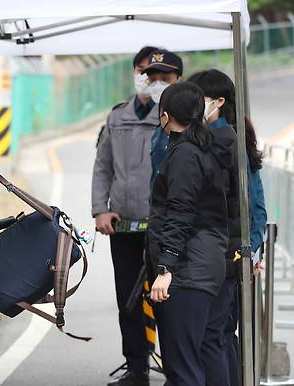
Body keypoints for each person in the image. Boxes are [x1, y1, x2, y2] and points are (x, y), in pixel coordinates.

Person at [148, 81, 231, 386]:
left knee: (182, 367)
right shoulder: (203, 148)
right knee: (195, 358)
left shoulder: (185, 155)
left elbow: (180, 213)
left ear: (165, 116)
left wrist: (166, 268)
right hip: (204, 262)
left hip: (188, 268)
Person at [189, 69, 268, 386]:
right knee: (220, 334)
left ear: (219, 101)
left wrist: (251, 249)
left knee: (213, 335)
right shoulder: (227, 137)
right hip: (232, 252)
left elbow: (253, 204)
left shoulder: (223, 142)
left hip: (226, 253)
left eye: (199, 98)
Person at [91, 45, 158, 386]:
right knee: (128, 300)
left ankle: (177, 368)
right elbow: (103, 167)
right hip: (125, 226)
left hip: (163, 229)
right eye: (144, 73)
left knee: (167, 300)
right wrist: (100, 209)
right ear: (135, 74)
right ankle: (137, 369)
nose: (149, 80)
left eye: (157, 75)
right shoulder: (117, 116)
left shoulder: (173, 114)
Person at [143, 49, 184, 185]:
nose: (158, 85)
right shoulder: (158, 118)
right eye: (153, 80)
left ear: (180, 79)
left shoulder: (189, 117)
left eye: (165, 79)